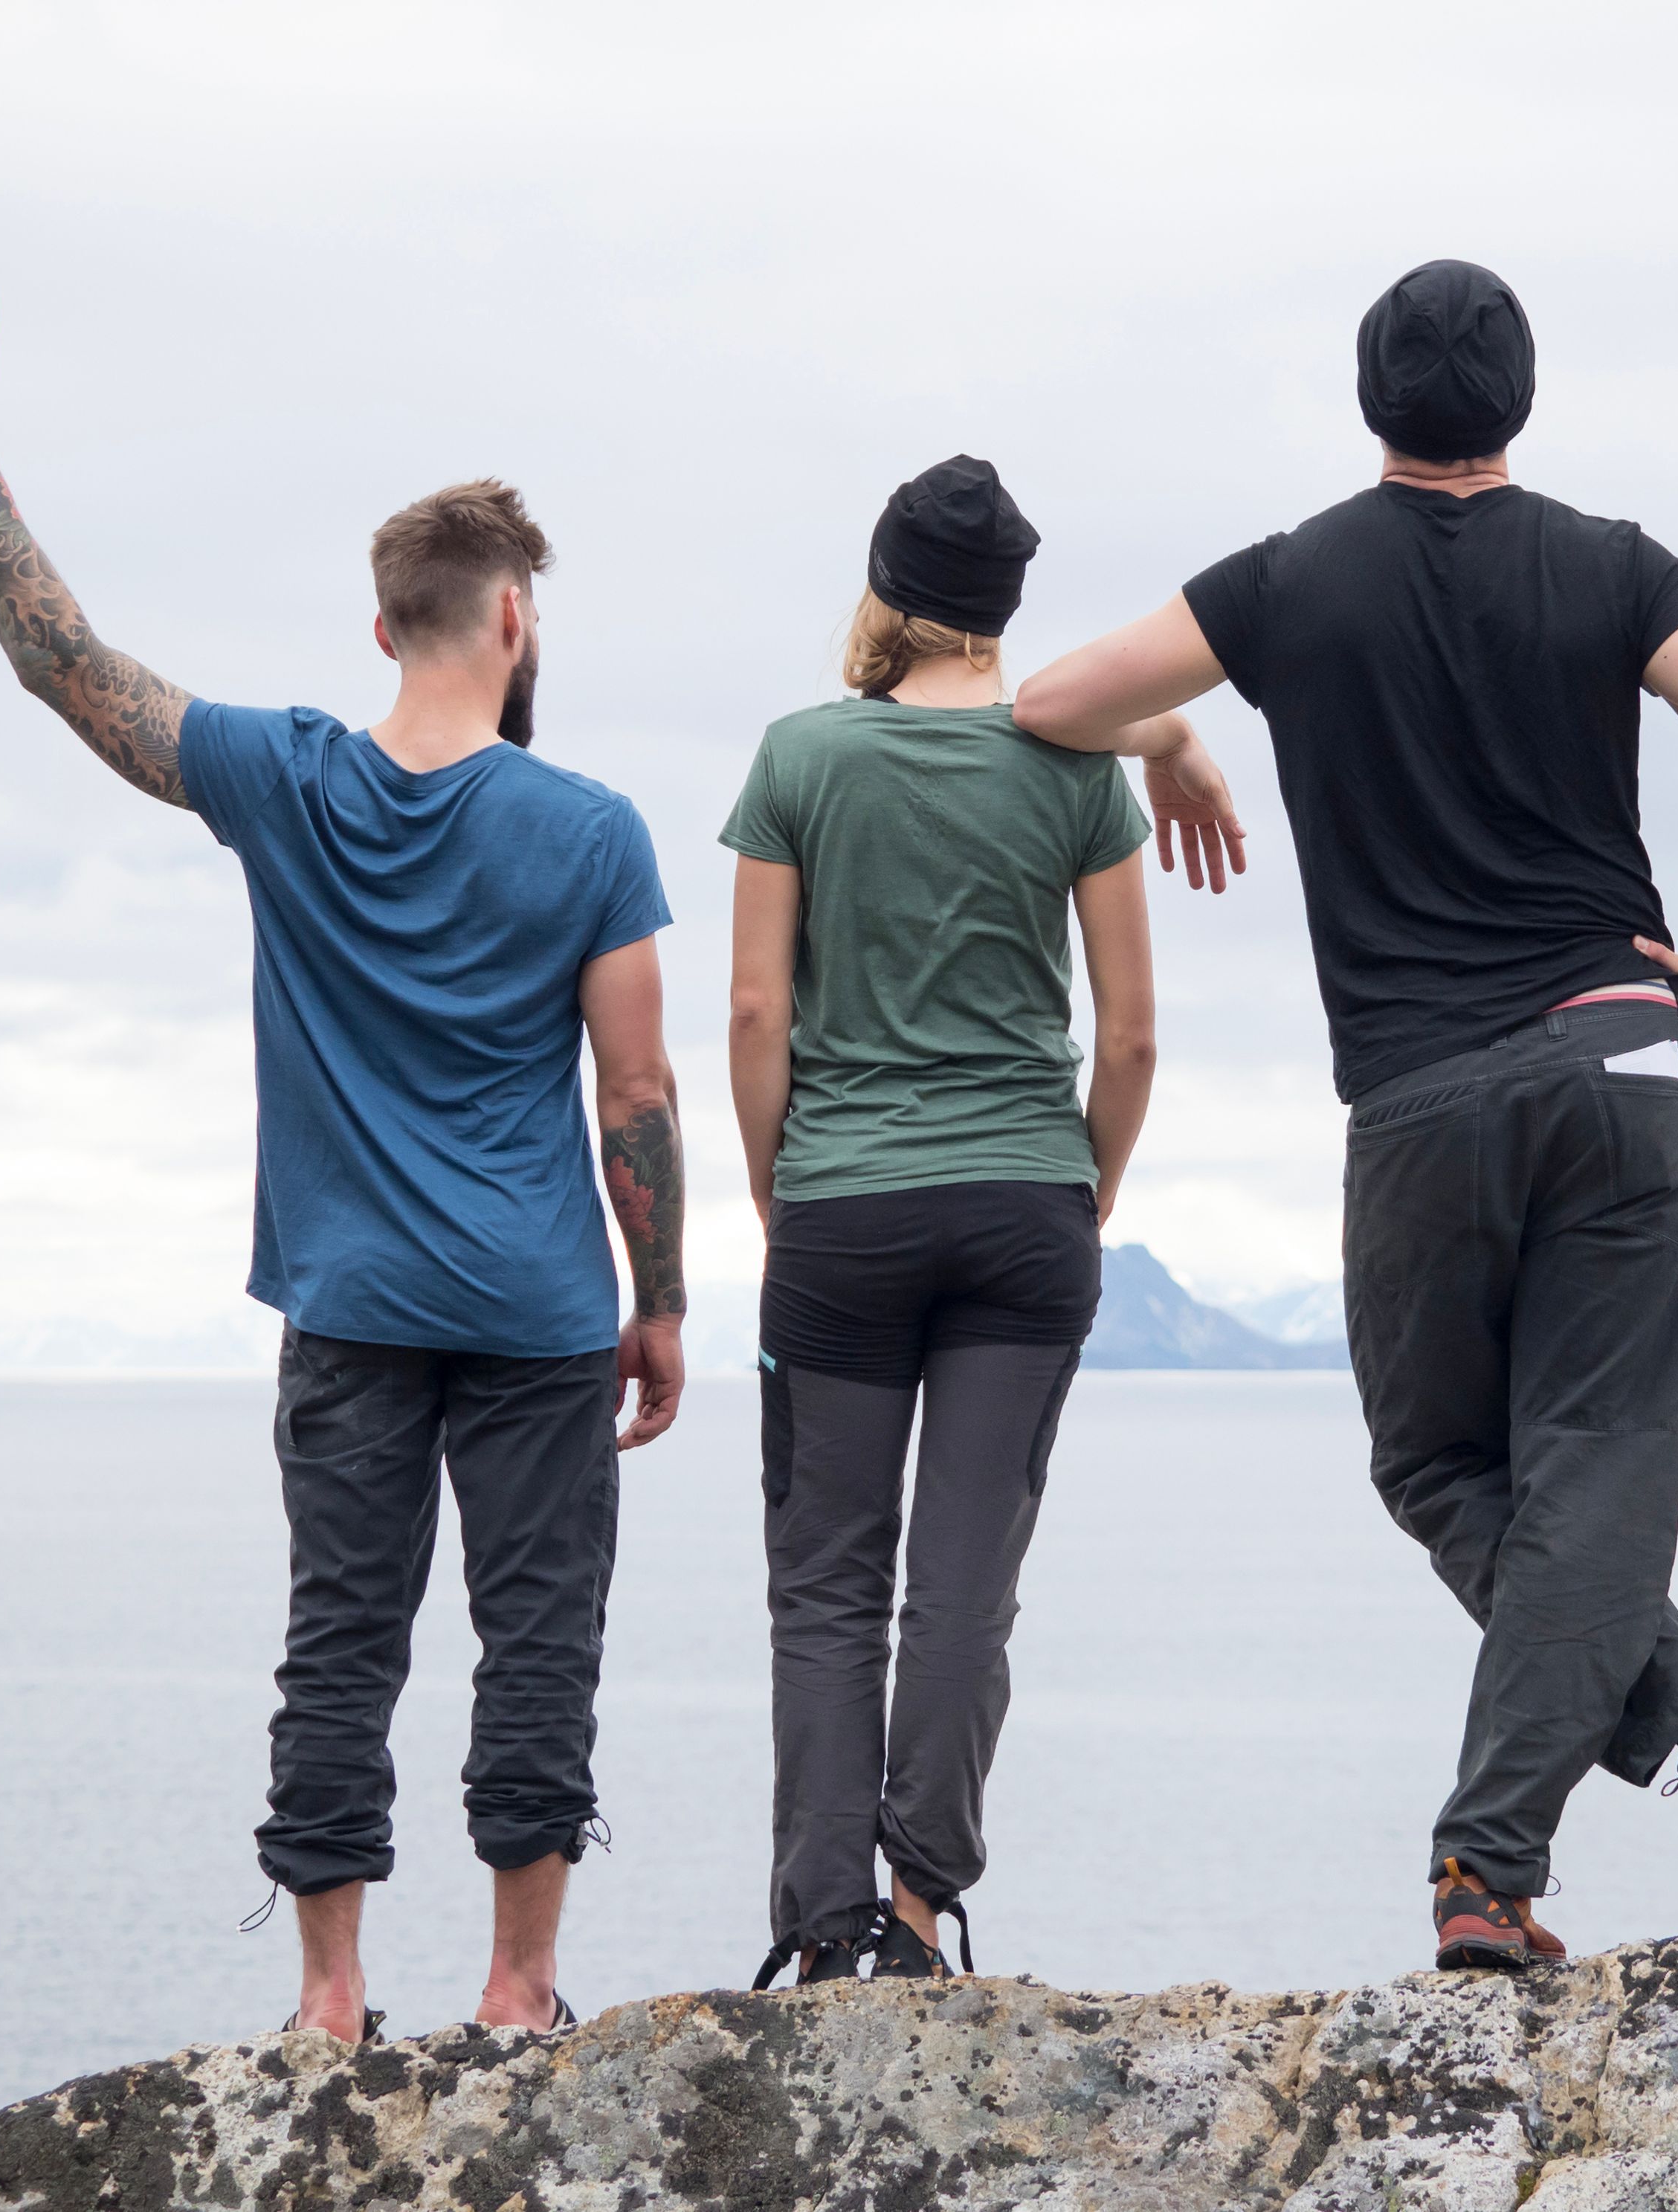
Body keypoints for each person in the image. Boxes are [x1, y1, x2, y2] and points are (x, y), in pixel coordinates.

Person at [1007, 258, 1678, 1967]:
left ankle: (1494, 1869)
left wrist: (1173, 743)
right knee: (1592, 1468)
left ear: (1371, 402)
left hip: (1413, 1097)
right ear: (1519, 405)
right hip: (1624, 1053)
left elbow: (1047, 705)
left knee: (1436, 1462)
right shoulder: (1616, 568)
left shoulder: (1291, 580)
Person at [0, 289, 691, 2038]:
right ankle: (516, 1987)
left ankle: (331, 2003)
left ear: (385, 622)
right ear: (506, 615)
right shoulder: (592, 833)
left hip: (348, 1303)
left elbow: (65, 664)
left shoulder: (285, 779)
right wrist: (665, 1311)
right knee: (535, 1644)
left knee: (342, 1639)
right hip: (541, 1310)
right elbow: (634, 1094)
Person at [717, 457, 1216, 1988]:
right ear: (1003, 610)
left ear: (886, 593)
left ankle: (819, 1928)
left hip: (841, 1216)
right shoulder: (1073, 771)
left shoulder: (798, 758)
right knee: (961, 1588)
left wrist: (772, 1180)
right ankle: (922, 1921)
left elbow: (751, 1010)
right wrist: (1092, 1181)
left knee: (827, 1586)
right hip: (1023, 1213)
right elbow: (1129, 1036)